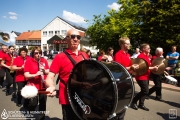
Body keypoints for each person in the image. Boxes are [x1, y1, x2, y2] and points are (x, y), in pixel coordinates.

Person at [45, 29, 89, 120]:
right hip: (68, 98)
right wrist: (51, 86)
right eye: (73, 37)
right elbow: (50, 76)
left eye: (78, 37)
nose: (76, 39)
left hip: (83, 97)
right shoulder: (60, 57)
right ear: (67, 39)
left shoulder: (84, 55)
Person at [114, 37, 139, 120]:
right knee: (119, 101)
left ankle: (121, 117)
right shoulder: (118, 54)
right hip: (121, 81)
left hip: (128, 79)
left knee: (126, 101)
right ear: (122, 44)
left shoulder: (128, 55)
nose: (129, 45)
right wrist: (130, 67)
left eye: (129, 43)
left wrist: (134, 67)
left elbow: (129, 67)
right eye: (127, 43)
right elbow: (118, 69)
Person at [24, 46, 49, 120]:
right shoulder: (29, 61)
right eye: (36, 53)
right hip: (33, 86)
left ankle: (41, 118)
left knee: (43, 103)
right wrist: (35, 74)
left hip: (43, 86)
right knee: (33, 103)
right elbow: (26, 74)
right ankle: (30, 114)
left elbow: (48, 72)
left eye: (40, 53)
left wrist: (44, 71)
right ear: (33, 54)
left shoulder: (44, 61)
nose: (38, 54)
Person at [131, 43, 158, 111]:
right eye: (148, 48)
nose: (150, 49)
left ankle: (141, 104)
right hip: (141, 77)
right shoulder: (141, 56)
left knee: (144, 91)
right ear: (143, 49)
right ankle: (134, 101)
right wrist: (153, 68)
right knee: (145, 91)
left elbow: (149, 65)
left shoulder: (146, 56)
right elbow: (144, 67)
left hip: (146, 76)